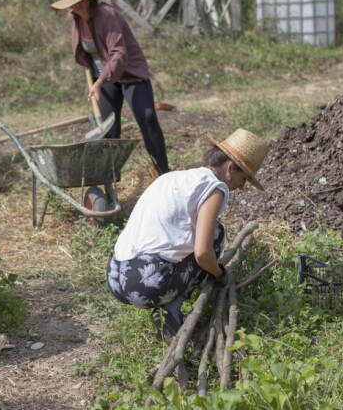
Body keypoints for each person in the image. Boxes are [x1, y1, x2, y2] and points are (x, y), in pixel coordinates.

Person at [106, 128, 268, 336]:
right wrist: (220, 274)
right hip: (147, 285)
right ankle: (172, 309)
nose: (243, 186)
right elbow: (202, 253)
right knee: (216, 235)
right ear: (230, 168)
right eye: (244, 178)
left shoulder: (172, 178)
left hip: (115, 277)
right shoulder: (215, 188)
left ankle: (170, 300)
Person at [51, 0, 170, 175]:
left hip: (129, 73)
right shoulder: (73, 18)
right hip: (101, 77)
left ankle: (164, 172)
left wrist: (98, 83)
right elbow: (82, 52)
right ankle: (109, 179)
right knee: (108, 129)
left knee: (147, 117)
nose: (77, 5)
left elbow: (119, 54)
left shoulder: (107, 15)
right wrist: (91, 81)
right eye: (72, 2)